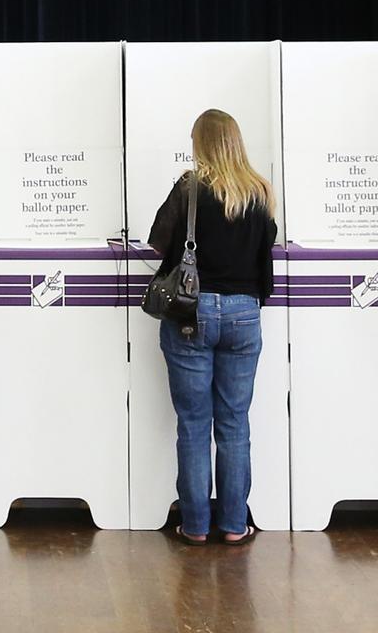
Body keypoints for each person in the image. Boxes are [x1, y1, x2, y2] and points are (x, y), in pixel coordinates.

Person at [147, 109, 277, 546]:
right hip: (244, 312)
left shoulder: (189, 187)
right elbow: (264, 252)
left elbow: (158, 241)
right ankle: (236, 525)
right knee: (235, 422)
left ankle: (196, 525)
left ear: (200, 143)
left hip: (191, 312)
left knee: (194, 422)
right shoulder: (259, 190)